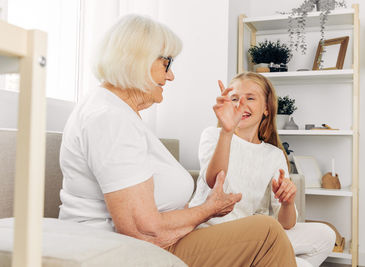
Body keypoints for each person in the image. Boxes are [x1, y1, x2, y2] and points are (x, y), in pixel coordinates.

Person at [58, 14, 297, 266]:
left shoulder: (119, 114)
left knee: (268, 233)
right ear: (139, 60)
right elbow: (142, 230)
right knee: (267, 233)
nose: (171, 76)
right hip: (126, 251)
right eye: (166, 64)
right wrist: (208, 210)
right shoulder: (109, 119)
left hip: (158, 242)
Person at [189, 72, 336, 267]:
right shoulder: (214, 135)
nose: (241, 104)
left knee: (325, 235)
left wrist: (287, 203)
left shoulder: (274, 155)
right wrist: (227, 131)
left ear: (266, 108)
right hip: (212, 235)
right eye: (234, 98)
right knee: (302, 265)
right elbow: (215, 180)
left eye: (250, 98)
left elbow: (286, 224)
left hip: (251, 237)